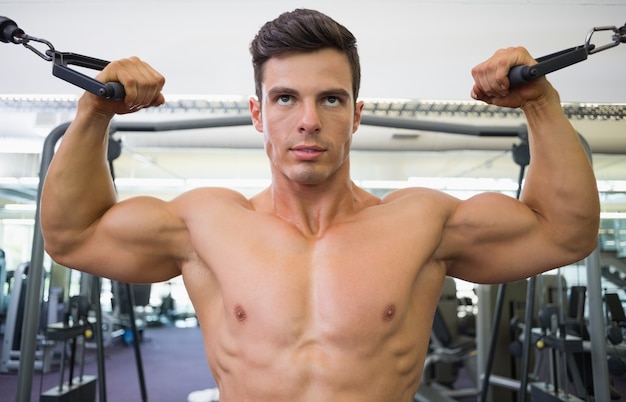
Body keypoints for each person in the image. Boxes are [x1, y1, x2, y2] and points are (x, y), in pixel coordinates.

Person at [40, 8, 600, 402]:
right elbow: (73, 237)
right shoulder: (205, 224)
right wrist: (94, 111)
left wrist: (540, 103)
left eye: (330, 98)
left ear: (356, 114)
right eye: (285, 98)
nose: (308, 119)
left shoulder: (421, 222)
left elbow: (562, 234)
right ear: (258, 114)